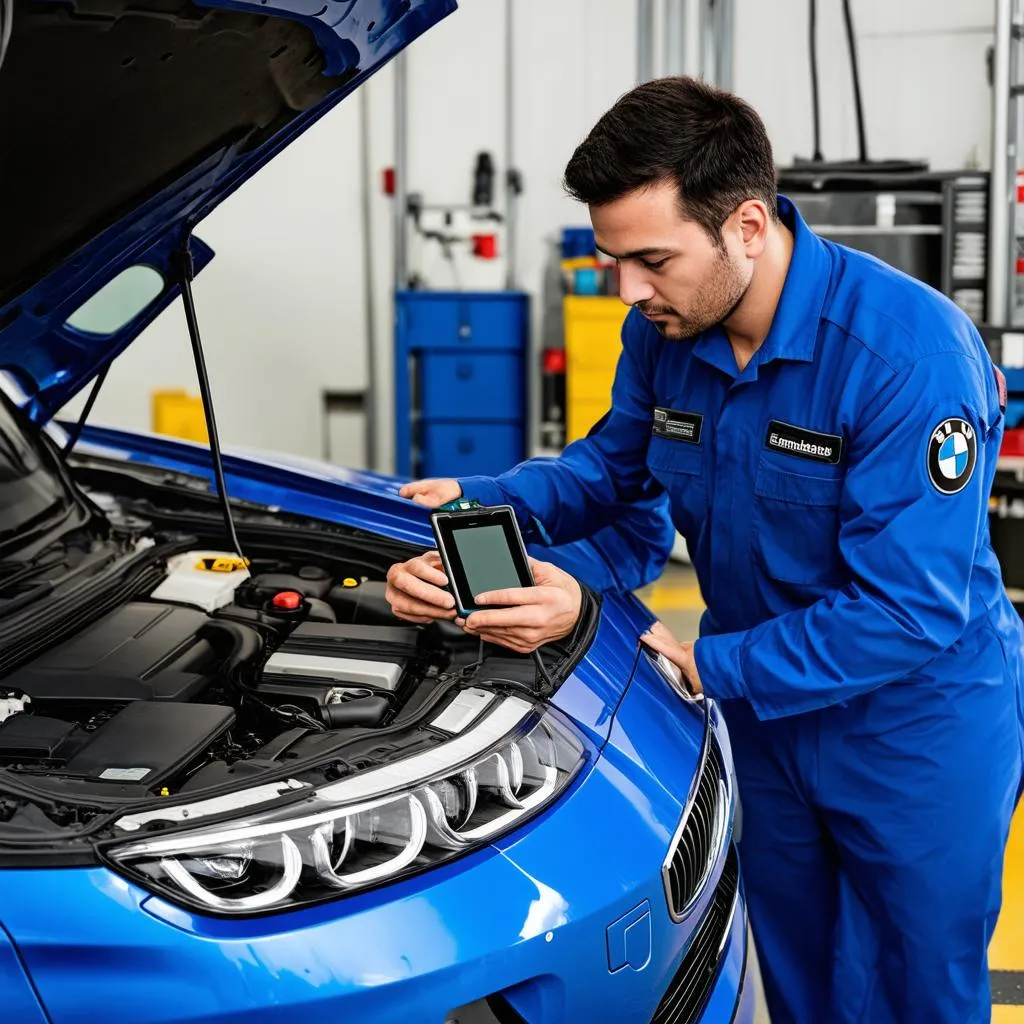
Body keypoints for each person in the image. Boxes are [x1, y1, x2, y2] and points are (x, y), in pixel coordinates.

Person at [384, 76, 1024, 1024]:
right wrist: (479, 502)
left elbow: (909, 610)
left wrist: (706, 661)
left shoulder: (907, 356)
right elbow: (607, 472)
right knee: (799, 973)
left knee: (917, 985)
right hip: (765, 718)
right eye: (615, 262)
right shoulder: (666, 335)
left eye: (651, 260)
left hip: (911, 724)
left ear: (749, 226)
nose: (630, 291)